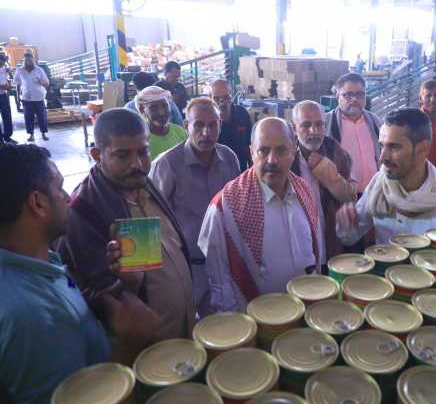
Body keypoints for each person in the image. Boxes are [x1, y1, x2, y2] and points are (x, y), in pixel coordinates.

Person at [0, 144, 159, 404]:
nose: (68, 197)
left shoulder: (40, 259)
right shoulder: (29, 316)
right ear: (38, 203)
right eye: (59, 187)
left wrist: (118, 289)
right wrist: (131, 342)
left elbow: (70, 302)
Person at [57, 108, 195, 340]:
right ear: (97, 155)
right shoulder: (82, 212)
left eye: (143, 152)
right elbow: (87, 298)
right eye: (122, 155)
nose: (137, 164)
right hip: (142, 351)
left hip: (184, 332)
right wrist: (125, 285)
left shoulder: (142, 183)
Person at [198, 117, 320, 313]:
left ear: (294, 152)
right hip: (256, 323)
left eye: (281, 150)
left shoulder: (305, 191)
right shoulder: (225, 206)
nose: (272, 160)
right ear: (252, 152)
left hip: (306, 312)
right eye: (263, 151)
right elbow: (219, 283)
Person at [150, 98, 240, 316]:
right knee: (186, 328)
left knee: (224, 325)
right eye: (198, 124)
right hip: (185, 268)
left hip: (224, 264)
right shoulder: (167, 164)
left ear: (221, 125)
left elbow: (238, 207)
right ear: (186, 126)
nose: (206, 132)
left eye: (213, 125)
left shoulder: (229, 158)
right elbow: (151, 219)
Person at [336, 108, 436, 246]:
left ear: (423, 148)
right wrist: (346, 224)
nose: (383, 157)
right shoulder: (379, 183)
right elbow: (349, 237)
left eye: (394, 147)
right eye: (382, 146)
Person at [291, 100, 357, 260]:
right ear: (294, 128)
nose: (314, 131)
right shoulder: (286, 155)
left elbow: (350, 196)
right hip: (296, 239)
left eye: (319, 124)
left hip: (331, 236)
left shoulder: (335, 150)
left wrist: (325, 170)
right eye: (306, 125)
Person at [326, 73, 382, 194]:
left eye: (360, 94)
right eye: (348, 95)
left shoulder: (376, 122)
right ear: (337, 96)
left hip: (375, 194)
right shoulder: (326, 124)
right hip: (343, 197)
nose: (355, 99)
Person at [209, 79, 253, 170]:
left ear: (231, 95)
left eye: (225, 97)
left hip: (240, 172)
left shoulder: (242, 113)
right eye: (217, 98)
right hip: (216, 173)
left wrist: (254, 172)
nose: (222, 102)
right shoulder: (206, 119)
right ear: (210, 97)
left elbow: (250, 145)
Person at [135, 85, 187, 160]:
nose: (161, 112)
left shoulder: (180, 132)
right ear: (142, 109)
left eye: (164, 105)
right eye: (153, 108)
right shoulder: (139, 138)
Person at [14, 53, 49, 142]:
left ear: (33, 60)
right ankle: (31, 135)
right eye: (26, 60)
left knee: (42, 117)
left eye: (30, 59)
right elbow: (17, 84)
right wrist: (18, 97)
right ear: (24, 61)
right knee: (28, 117)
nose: (28, 61)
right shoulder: (20, 70)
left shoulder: (39, 70)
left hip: (39, 97)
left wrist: (41, 82)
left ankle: (43, 134)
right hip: (26, 98)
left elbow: (47, 83)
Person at [0, 53, 16, 144]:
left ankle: (7, 136)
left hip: (4, 96)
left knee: (7, 116)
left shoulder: (5, 69)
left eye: (4, 62)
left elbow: (9, 81)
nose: (3, 63)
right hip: (2, 91)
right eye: (1, 61)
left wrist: (9, 85)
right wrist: (3, 86)